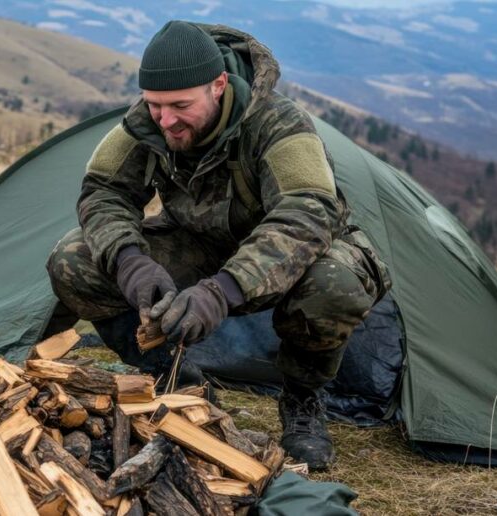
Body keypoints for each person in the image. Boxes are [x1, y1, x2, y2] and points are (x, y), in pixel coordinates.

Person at [46, 21, 390, 470]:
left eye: (180, 106)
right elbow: (103, 191)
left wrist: (222, 290)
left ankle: (303, 402)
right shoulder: (144, 123)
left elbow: (307, 214)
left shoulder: (280, 124)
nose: (166, 120)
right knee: (74, 260)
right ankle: (176, 377)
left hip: (300, 251)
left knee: (333, 286)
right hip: (199, 243)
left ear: (219, 86)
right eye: (155, 106)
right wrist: (130, 261)